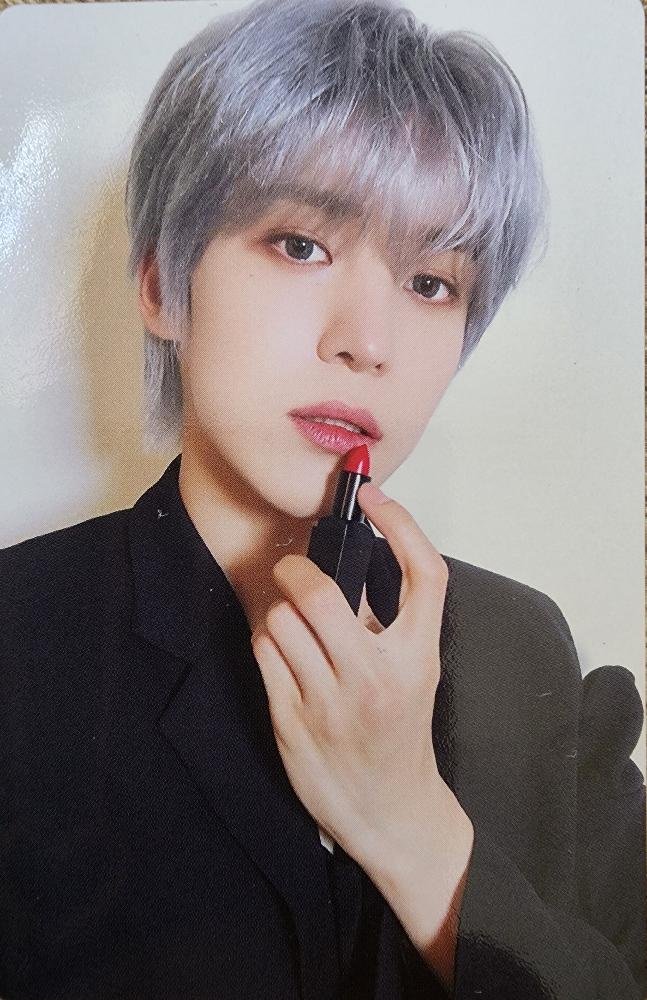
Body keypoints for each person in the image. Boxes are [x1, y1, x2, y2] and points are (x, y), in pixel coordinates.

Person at [1, 0, 644, 997]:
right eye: (300, 244)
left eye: (430, 282)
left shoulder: (523, 654)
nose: (367, 342)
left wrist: (411, 826)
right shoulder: (20, 639)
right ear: (163, 284)